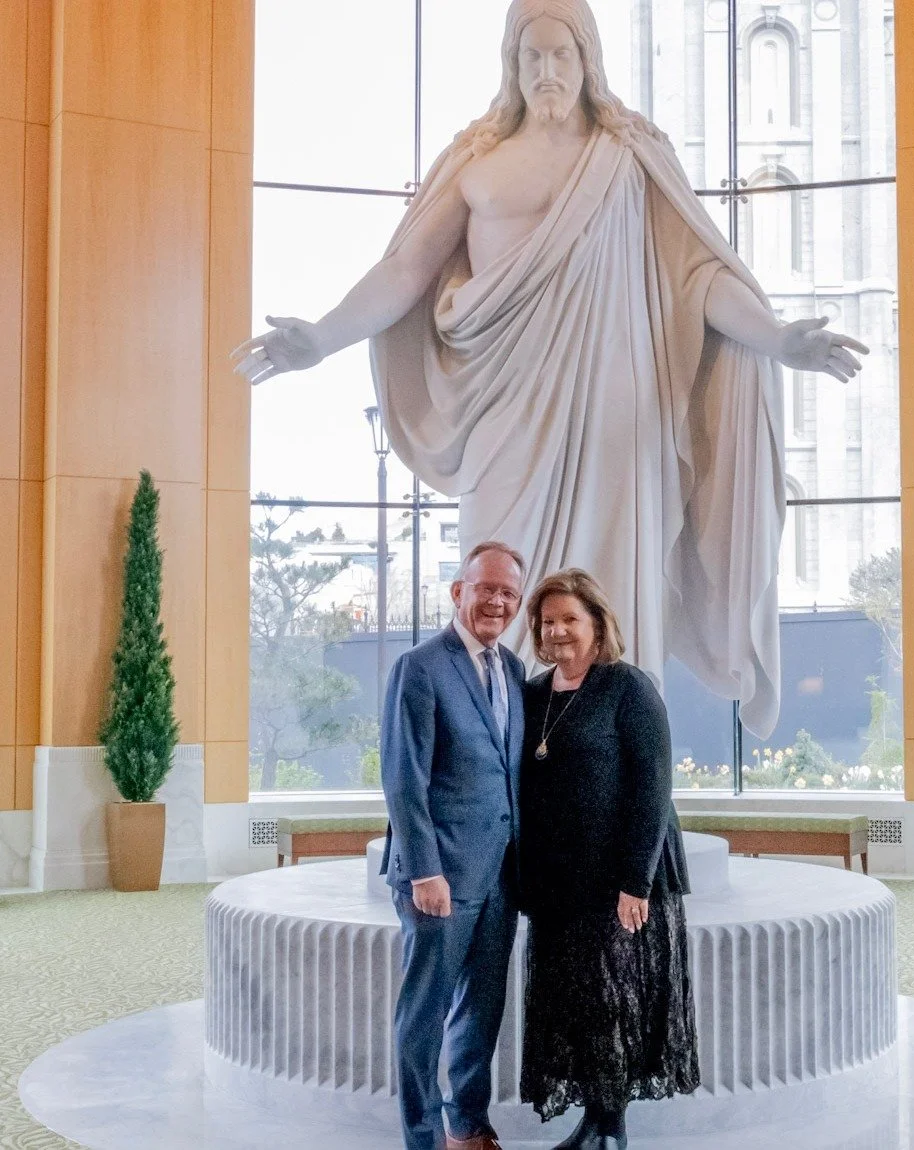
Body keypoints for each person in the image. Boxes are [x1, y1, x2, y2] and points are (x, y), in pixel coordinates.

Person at [232, 0, 868, 740]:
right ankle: (497, 761)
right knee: (501, 584)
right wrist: (323, 335)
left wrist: (781, 338)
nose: (545, 71)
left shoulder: (629, 156)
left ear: (587, 58)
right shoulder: (476, 160)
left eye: (560, 54)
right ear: (511, 62)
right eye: (530, 56)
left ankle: (619, 773)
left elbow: (699, 278)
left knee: (611, 601)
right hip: (505, 410)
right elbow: (405, 268)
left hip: (616, 416)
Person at [517, 568, 698, 1150]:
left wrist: (635, 882)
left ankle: (611, 1129)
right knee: (573, 1000)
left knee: (612, 1001)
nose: (558, 631)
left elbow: (654, 788)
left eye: (570, 618)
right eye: (548, 622)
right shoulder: (534, 693)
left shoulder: (629, 687)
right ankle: (593, 1121)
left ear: (598, 623)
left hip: (618, 879)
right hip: (559, 881)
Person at [379, 540, 527, 1150]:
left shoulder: (514, 670)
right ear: (458, 591)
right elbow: (402, 776)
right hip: (438, 875)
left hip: (500, 878)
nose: (496, 601)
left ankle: (468, 1123)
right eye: (486, 587)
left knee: (480, 1012)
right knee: (424, 1015)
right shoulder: (421, 665)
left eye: (509, 594)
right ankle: (422, 1134)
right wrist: (423, 872)